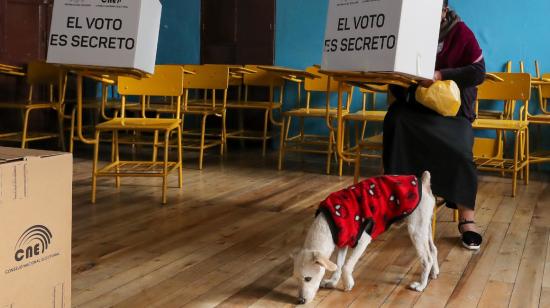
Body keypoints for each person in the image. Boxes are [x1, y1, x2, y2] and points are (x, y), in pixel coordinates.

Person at [382, 0, 486, 250]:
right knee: (396, 120)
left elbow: (478, 72)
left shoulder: (460, 32)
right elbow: (396, 79)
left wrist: (440, 75)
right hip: (417, 108)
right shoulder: (408, 32)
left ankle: (467, 220)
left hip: (451, 110)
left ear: (444, 11)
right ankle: (398, 202)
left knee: (460, 148)